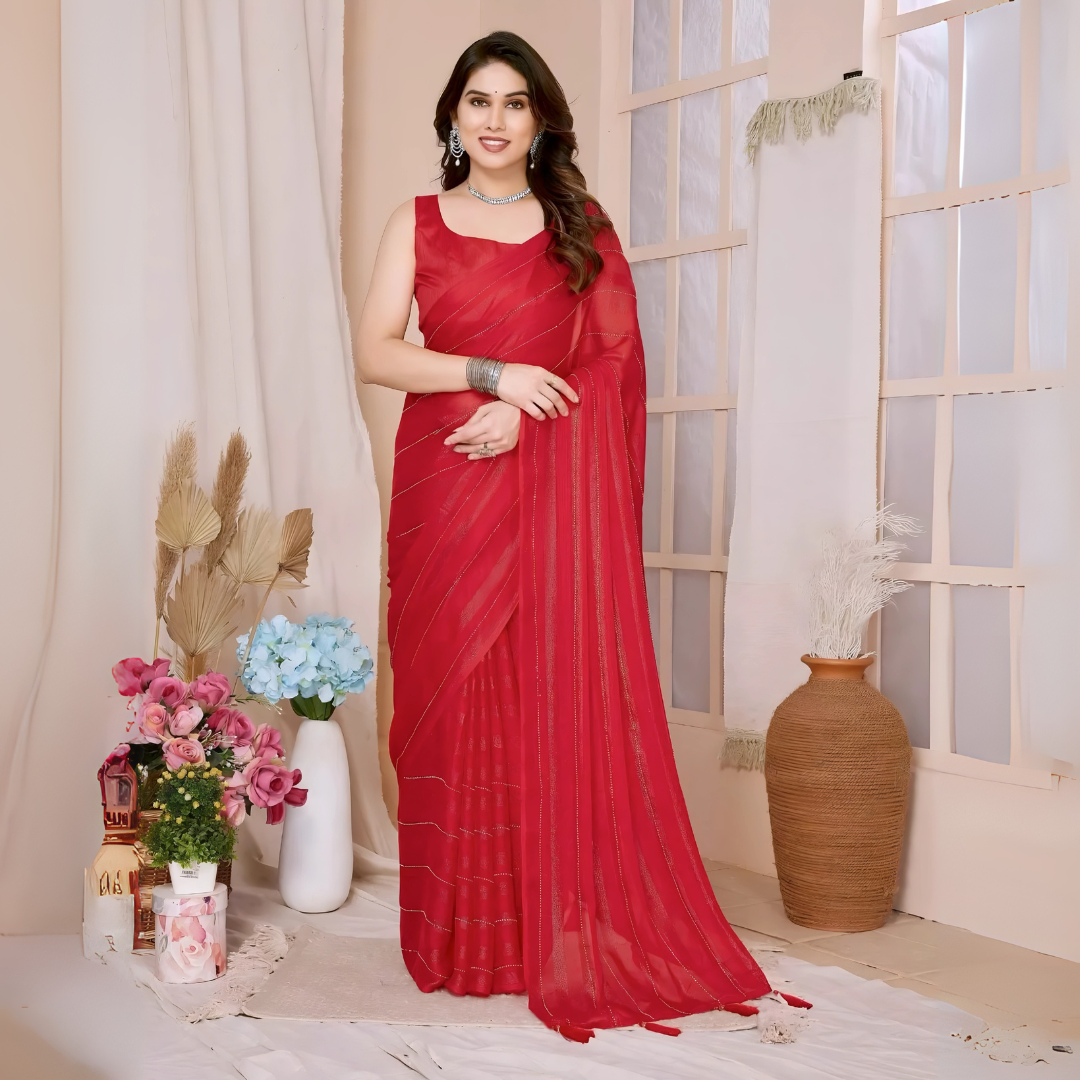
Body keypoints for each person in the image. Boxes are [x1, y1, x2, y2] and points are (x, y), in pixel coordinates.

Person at [355, 30, 771, 1040]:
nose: (495, 120)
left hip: (542, 496)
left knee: (538, 692)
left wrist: (530, 416)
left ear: (540, 118)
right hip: (444, 485)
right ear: (454, 115)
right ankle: (455, 937)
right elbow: (375, 351)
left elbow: (616, 363)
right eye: (478, 101)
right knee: (448, 697)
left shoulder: (581, 226)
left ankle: (537, 934)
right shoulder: (416, 221)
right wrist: (490, 377)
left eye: (515, 103)